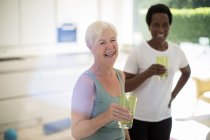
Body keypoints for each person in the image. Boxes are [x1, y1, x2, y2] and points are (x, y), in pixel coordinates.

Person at [123, 4, 191, 140]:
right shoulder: (138, 51)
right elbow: (124, 86)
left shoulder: (176, 51)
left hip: (164, 117)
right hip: (137, 117)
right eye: (156, 25)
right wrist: (147, 73)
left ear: (169, 26)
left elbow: (187, 72)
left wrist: (173, 95)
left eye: (165, 25)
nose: (161, 29)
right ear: (149, 26)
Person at [71, 20, 131, 140]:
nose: (110, 46)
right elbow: (76, 132)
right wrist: (106, 116)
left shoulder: (120, 76)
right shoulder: (86, 82)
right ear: (90, 47)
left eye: (113, 40)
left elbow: (123, 124)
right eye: (102, 42)